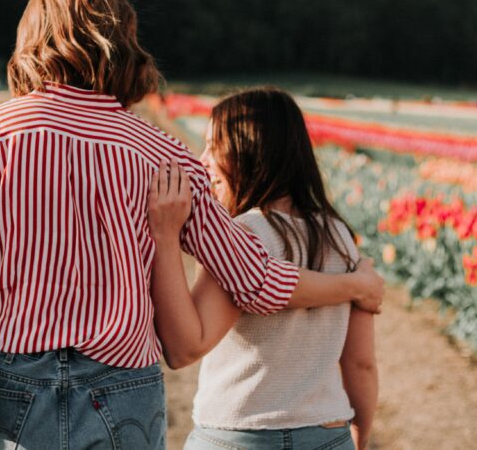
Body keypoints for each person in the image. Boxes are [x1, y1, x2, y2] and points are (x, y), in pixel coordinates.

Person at [0, 0, 384, 450]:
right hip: (122, 384)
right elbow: (254, 281)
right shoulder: (162, 155)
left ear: (32, 39)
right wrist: (354, 284)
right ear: (122, 40)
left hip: (11, 383)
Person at [148, 87, 378, 450]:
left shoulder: (240, 236)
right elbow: (361, 363)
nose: (203, 160)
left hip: (238, 435)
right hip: (326, 434)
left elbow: (183, 349)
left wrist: (165, 236)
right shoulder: (341, 237)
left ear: (248, 150)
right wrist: (359, 435)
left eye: (214, 146)